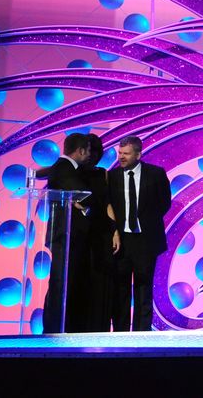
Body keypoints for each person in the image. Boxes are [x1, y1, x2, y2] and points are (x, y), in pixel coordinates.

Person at [108, 135, 171, 331]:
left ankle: (142, 332)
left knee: (144, 287)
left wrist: (146, 222)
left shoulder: (156, 174)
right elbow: (109, 205)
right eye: (120, 153)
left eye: (126, 153)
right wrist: (114, 231)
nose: (121, 157)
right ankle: (120, 332)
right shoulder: (112, 176)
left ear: (138, 154)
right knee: (120, 288)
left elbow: (164, 203)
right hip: (122, 240)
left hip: (145, 240)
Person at [41, 132, 91, 333]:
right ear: (80, 151)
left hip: (66, 235)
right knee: (59, 283)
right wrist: (88, 203)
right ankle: (53, 329)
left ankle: (59, 327)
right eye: (88, 151)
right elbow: (84, 195)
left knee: (63, 282)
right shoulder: (64, 168)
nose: (90, 155)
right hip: (64, 234)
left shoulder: (63, 168)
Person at [82, 134, 115, 332]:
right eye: (89, 150)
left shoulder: (103, 174)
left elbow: (108, 203)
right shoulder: (71, 172)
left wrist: (115, 230)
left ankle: (98, 327)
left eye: (95, 151)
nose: (92, 155)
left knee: (100, 278)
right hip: (79, 232)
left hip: (101, 231)